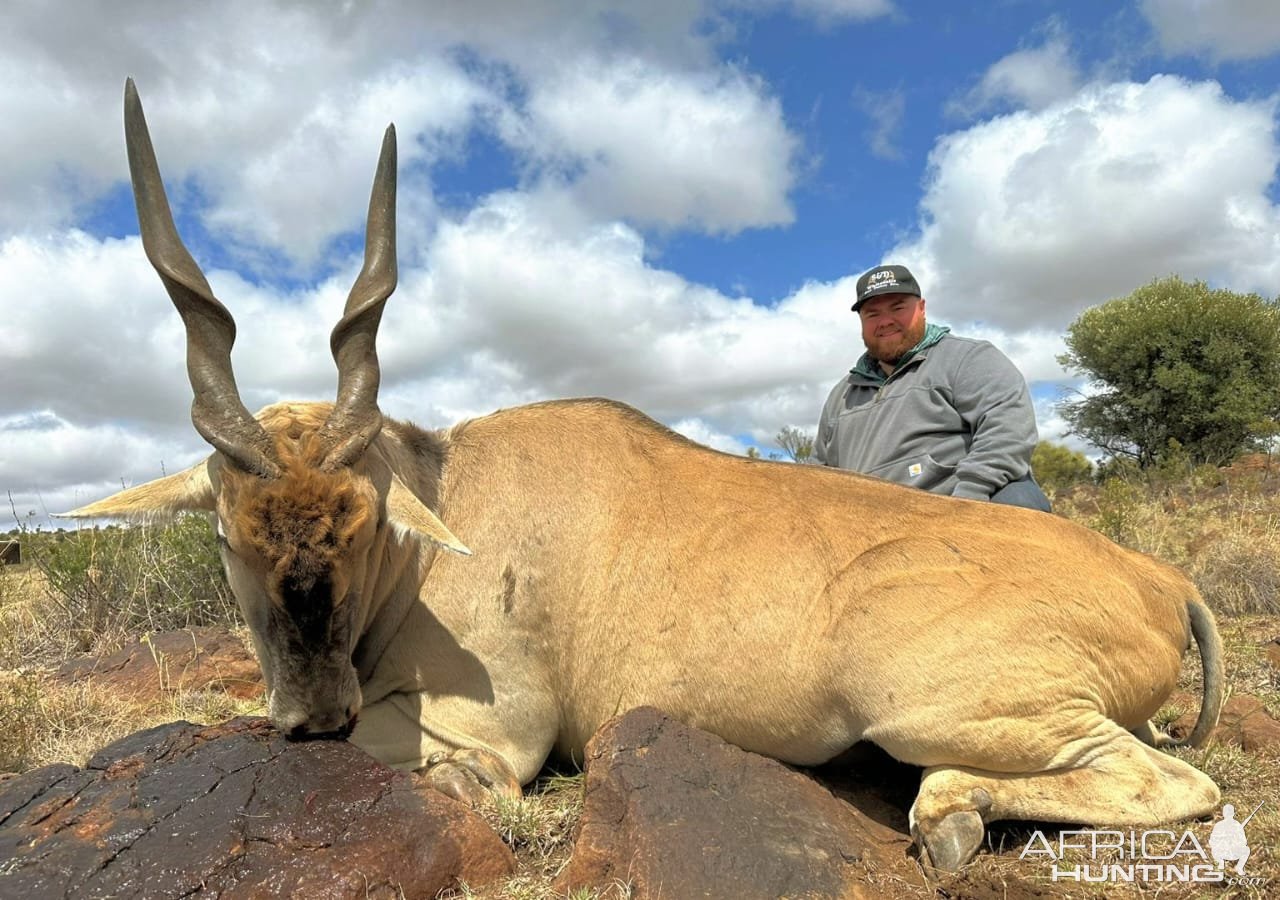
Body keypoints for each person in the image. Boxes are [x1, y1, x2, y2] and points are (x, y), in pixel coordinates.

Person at [814, 264, 1051, 511]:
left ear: (922, 308)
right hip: (865, 524)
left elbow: (1009, 430)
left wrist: (966, 502)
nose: (885, 321)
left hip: (953, 512)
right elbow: (818, 471)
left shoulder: (969, 358)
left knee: (1018, 499)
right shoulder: (841, 396)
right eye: (872, 314)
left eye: (898, 308)